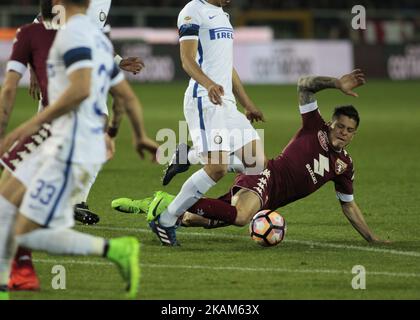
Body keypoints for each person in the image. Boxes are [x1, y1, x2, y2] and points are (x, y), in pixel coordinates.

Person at [113, 70, 390, 244]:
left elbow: (349, 206)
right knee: (241, 216)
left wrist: (372, 238)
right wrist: (335, 83)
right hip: (265, 175)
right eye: (339, 125)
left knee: (191, 219)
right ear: (330, 123)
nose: (342, 132)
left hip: (266, 196)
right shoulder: (314, 126)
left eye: (349, 130)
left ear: (354, 135)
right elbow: (304, 84)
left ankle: (154, 204)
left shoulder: (344, 166)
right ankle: (190, 162)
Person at [0, 0, 157, 300]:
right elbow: (125, 96)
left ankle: (115, 250)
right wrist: (138, 136)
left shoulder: (70, 34)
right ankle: (8, 286)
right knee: (5, 209)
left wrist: (27, 126)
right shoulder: (93, 35)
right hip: (66, 137)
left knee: (25, 230)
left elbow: (81, 88)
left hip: (69, 144)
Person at [147, 0, 266, 246]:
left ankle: (188, 156)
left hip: (227, 103)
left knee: (256, 163)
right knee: (218, 168)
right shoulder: (192, 12)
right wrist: (208, 84)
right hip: (205, 100)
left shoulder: (223, 15)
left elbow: (227, 66)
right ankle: (166, 219)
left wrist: (248, 102)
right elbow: (187, 60)